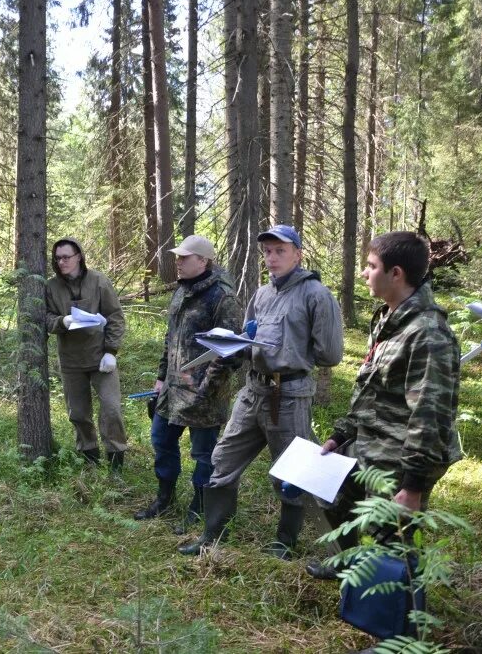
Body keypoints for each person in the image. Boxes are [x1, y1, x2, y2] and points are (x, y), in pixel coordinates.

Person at [180, 224, 344, 558]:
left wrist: (290, 350)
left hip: (289, 395)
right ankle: (212, 535)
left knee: (291, 472)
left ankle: (284, 543)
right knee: (222, 460)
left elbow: (331, 354)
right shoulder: (262, 294)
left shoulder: (316, 295)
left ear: (297, 254)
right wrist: (236, 342)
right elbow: (246, 342)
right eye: (267, 252)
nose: (272, 258)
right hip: (253, 390)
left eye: (280, 251)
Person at [306, 231, 461, 580]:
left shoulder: (427, 332)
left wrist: (413, 486)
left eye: (371, 266)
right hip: (370, 442)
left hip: (402, 457)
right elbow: (372, 387)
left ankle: (399, 621)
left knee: (393, 541)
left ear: (396, 274)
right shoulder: (389, 319)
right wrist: (341, 434)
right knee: (331, 497)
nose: (363, 272)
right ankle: (348, 566)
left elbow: (431, 415)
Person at [134, 236, 242, 527]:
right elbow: (170, 341)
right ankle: (164, 498)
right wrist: (160, 379)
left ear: (203, 261)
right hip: (172, 389)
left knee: (203, 455)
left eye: (184, 258)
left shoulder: (222, 297)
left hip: (205, 395)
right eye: (178, 257)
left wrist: (206, 388)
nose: (178, 262)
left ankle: (199, 506)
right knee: (161, 440)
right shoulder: (181, 291)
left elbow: (231, 352)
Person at [45, 238, 128, 470]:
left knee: (112, 410)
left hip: (101, 358)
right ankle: (89, 460)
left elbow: (115, 317)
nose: (62, 262)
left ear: (79, 256)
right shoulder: (51, 287)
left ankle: (116, 461)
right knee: (78, 414)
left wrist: (111, 352)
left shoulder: (99, 281)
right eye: (58, 258)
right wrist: (63, 320)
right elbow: (46, 319)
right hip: (71, 361)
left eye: (66, 257)